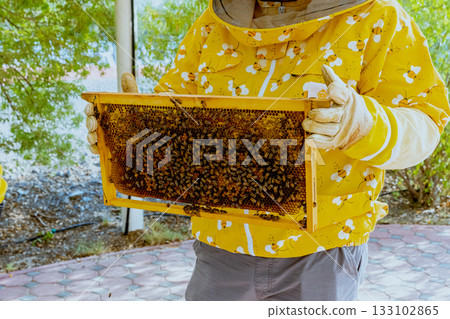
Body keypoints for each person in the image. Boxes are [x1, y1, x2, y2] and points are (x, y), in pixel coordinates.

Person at [85, 0, 449, 301]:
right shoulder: (212, 24)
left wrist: (364, 125)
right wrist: (125, 128)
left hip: (323, 253)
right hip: (219, 247)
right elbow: (174, 110)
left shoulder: (379, 17)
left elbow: (425, 124)